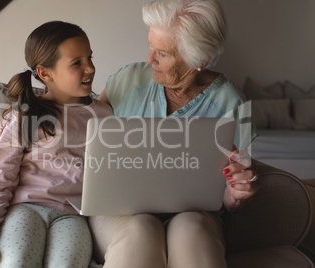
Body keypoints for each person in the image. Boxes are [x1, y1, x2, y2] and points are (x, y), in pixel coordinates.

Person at [88, 0, 259, 267]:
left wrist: (236, 193)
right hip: (119, 214)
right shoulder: (126, 80)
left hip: (197, 215)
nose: (149, 59)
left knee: (190, 229)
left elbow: (233, 193)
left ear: (199, 60)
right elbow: (83, 135)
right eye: (150, 46)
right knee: (141, 229)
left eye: (163, 54)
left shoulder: (234, 104)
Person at [0, 21, 113, 268]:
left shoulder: (104, 115)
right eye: (77, 63)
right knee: (16, 262)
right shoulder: (26, 116)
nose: (90, 68)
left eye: (90, 58)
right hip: (25, 209)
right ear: (45, 74)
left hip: (73, 216)